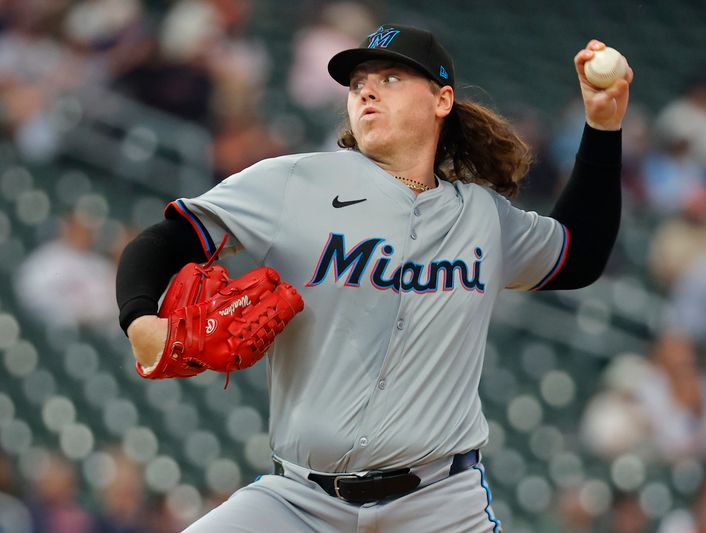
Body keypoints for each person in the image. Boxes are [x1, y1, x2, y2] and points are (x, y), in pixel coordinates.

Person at [116, 23, 632, 532]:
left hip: (438, 507)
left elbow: (579, 254)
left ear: (442, 100)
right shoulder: (296, 182)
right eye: (358, 82)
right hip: (299, 502)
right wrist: (140, 318)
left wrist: (604, 127)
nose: (365, 89)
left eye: (389, 78)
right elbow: (167, 239)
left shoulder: (484, 217)